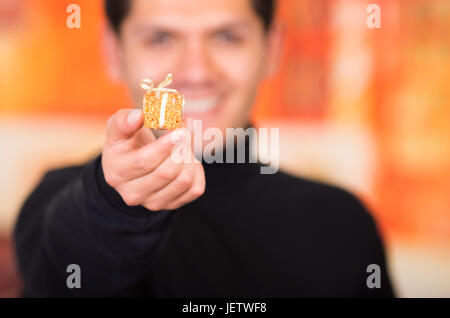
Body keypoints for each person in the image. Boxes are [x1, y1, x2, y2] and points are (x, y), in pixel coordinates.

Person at [13, 0, 395, 297]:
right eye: (161, 38)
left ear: (272, 49)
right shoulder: (55, 202)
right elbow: (65, 265)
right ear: (114, 52)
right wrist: (113, 203)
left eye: (227, 36)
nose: (195, 72)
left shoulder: (343, 224)